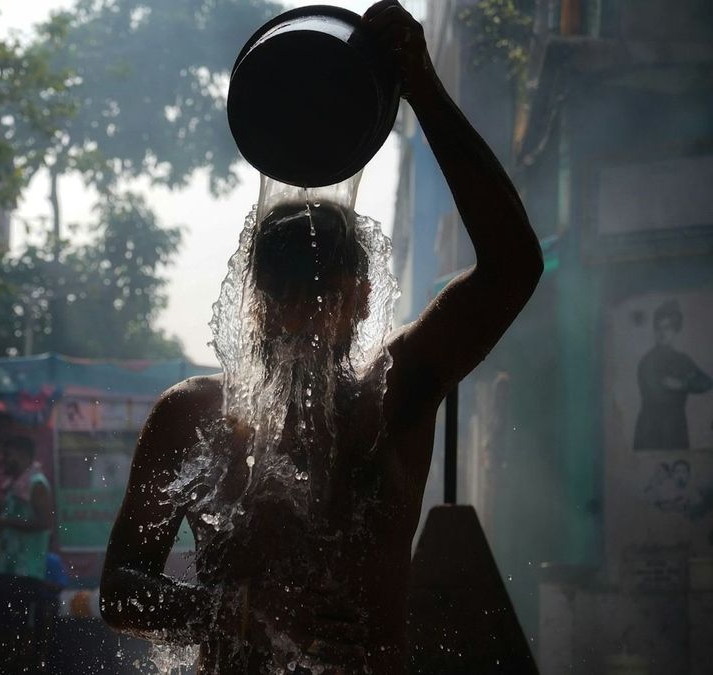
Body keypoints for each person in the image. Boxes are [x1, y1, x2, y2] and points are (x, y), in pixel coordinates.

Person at [99, 3, 545, 674]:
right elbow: (119, 590)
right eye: (282, 296)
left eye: (321, 295)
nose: (301, 314)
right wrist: (233, 612)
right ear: (252, 304)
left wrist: (422, 86)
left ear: (360, 300)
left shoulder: (392, 396)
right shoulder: (190, 416)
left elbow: (513, 266)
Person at [0, 435, 54, 673]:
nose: (5, 459)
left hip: (24, 572)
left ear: (25, 456)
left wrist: (5, 522)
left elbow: (46, 522)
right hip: (5, 569)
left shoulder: (36, 483)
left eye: (9, 455)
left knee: (18, 629)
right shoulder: (14, 484)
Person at [633, 300, 711, 450]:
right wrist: (685, 383)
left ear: (675, 330)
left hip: (676, 430)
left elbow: (707, 382)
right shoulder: (647, 362)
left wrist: (683, 384)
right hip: (650, 431)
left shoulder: (683, 360)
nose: (662, 333)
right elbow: (658, 395)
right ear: (654, 330)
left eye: (667, 327)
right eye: (658, 328)